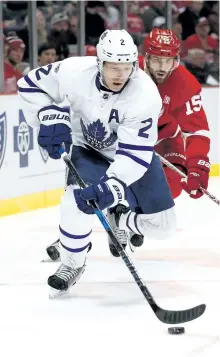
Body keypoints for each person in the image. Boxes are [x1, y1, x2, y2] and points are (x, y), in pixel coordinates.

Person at [18, 29, 176, 297]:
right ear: (99, 62)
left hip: (130, 155)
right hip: (89, 150)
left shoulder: (145, 94)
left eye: (126, 67)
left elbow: (135, 154)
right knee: (74, 201)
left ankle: (121, 216)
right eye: (113, 66)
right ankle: (72, 264)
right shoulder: (72, 71)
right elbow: (30, 85)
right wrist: (48, 115)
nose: (120, 74)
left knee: (163, 226)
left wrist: (112, 188)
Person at [140, 28, 210, 202]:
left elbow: (197, 131)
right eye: (157, 60)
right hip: (126, 137)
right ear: (146, 57)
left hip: (165, 138)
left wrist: (197, 166)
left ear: (176, 59)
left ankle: (138, 220)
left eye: (168, 61)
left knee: (171, 186)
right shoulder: (128, 72)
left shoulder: (185, 83)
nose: (163, 68)